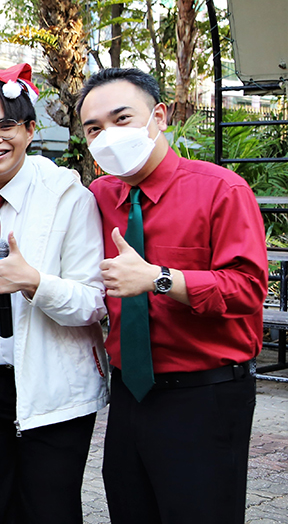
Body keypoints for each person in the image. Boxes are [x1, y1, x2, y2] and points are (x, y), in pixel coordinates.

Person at [78, 68, 267, 524]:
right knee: (130, 508)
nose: (108, 135)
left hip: (205, 395)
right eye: (94, 128)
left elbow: (247, 288)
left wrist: (159, 278)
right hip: (130, 393)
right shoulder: (98, 195)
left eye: (122, 118)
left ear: (158, 116)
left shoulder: (220, 189)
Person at [0, 64, 108, 524]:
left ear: (30, 130)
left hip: (52, 381)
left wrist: (35, 282)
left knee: (52, 510)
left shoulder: (68, 196)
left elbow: (94, 302)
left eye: (6, 125)